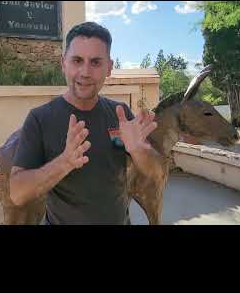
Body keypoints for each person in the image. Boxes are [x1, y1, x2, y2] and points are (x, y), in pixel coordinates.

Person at [9, 21, 158, 225]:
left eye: (95, 62)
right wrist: (64, 162)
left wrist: (139, 152)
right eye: (77, 60)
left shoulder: (120, 114)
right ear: (64, 64)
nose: (85, 72)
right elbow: (17, 193)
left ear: (109, 68)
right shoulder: (40, 119)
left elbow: (154, 173)